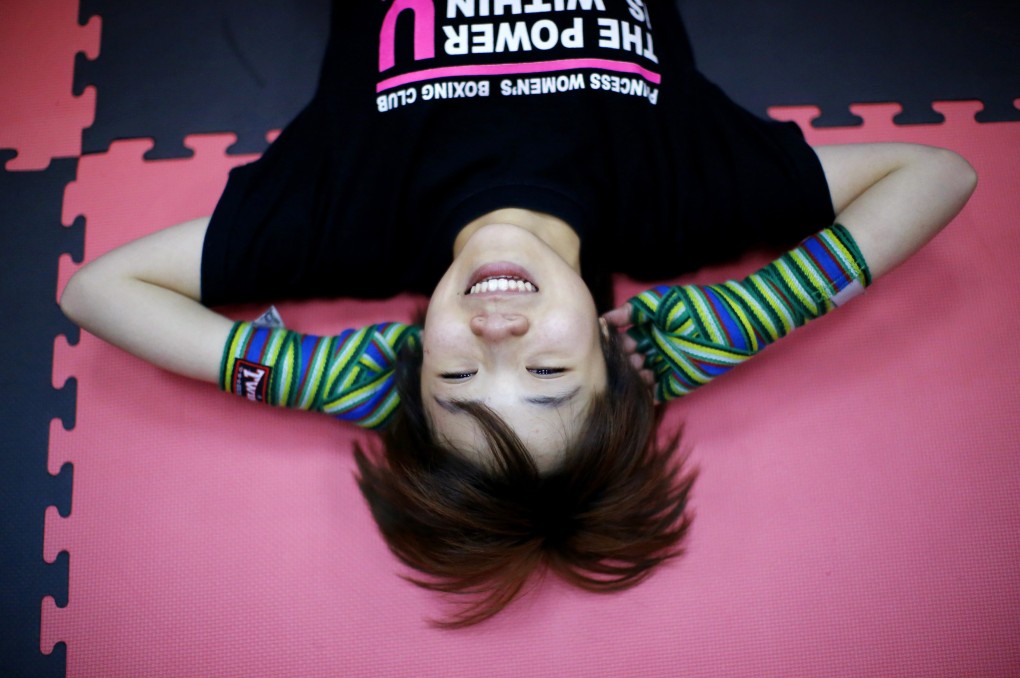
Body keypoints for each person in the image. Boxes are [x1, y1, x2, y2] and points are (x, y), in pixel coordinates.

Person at [59, 0, 976, 627]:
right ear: (618, 352)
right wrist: (759, 311)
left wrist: (302, 374)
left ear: (408, 357)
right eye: (547, 372)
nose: (497, 335)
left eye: (457, 376)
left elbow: (96, 291)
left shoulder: (349, 222)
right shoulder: (680, 199)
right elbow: (937, 172)